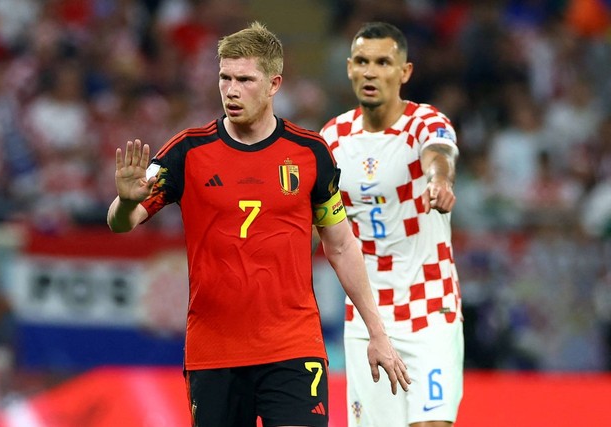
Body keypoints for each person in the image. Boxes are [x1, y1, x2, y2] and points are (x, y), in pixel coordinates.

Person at [107, 21, 410, 427]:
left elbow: (340, 245)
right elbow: (122, 222)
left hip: (292, 347)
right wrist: (126, 203)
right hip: (214, 352)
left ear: (273, 84)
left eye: (245, 79)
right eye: (224, 78)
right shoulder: (187, 152)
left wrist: (378, 332)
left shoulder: (310, 153)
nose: (231, 90)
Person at [320, 22, 463, 427]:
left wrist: (439, 180)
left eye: (383, 62)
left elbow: (439, 153)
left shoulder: (425, 122)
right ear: (349, 68)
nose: (370, 72)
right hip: (368, 315)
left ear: (405, 72)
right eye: (362, 62)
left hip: (430, 307)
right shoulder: (332, 138)